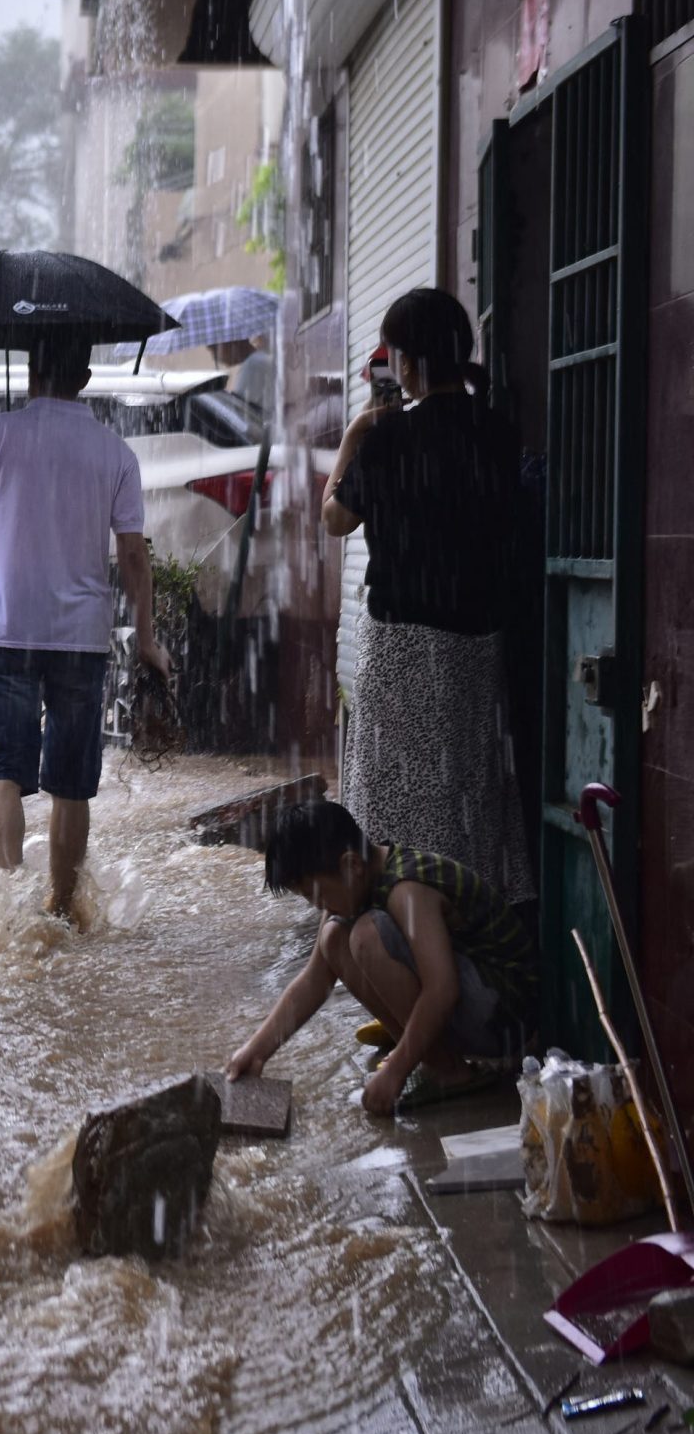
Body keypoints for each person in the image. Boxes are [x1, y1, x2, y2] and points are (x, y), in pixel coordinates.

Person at [0, 331, 170, 923]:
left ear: (28, 372)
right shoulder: (114, 452)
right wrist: (146, 639)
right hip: (78, 638)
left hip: (4, 629)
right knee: (71, 783)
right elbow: (132, 558)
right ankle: (62, 904)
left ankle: (10, 906)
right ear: (85, 379)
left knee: (2, 772)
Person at [322, 287, 532, 904]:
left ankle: (401, 927)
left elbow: (334, 519)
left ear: (408, 363)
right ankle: (468, 926)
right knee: (464, 793)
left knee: (392, 801)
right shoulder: (496, 434)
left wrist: (357, 430)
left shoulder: (386, 440)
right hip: (476, 646)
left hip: (401, 650)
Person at [227, 800, 535, 1116]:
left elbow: (443, 989)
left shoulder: (406, 889)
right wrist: (257, 1051)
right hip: (479, 1006)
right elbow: (314, 980)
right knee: (333, 937)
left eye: (315, 896)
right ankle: (434, 1058)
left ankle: (449, 1071)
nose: (317, 907)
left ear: (352, 866)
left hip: (508, 1018)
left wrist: (395, 1071)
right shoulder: (351, 884)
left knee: (365, 935)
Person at [211, 335, 275, 415]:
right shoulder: (260, 359)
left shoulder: (254, 365)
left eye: (214, 348)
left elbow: (238, 413)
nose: (214, 356)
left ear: (229, 343)